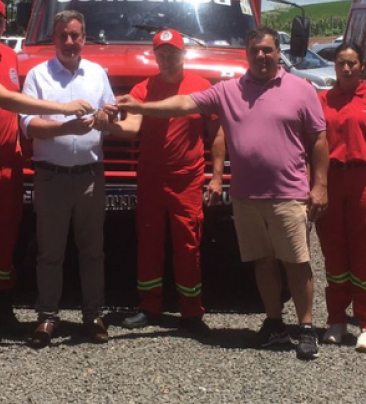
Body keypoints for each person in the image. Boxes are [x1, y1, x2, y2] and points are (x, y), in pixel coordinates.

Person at [116, 27, 329, 361]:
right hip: (244, 193)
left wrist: (320, 185)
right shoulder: (229, 89)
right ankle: (274, 322)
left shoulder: (301, 89)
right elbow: (181, 105)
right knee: (263, 261)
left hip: (287, 191)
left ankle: (305, 328)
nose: (261, 56)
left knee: (297, 261)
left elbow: (318, 139)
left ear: (278, 52)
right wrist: (136, 108)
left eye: (268, 50)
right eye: (255, 50)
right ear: (247, 53)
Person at [0, 0, 93, 335]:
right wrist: (62, 107)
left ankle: (2, 305)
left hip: (8, 162)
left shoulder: (10, 56)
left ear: (4, 23)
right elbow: (7, 99)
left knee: (6, 236)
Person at [112, 29, 224, 335]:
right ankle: (149, 306)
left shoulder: (201, 88)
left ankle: (191, 311)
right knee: (148, 241)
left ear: (183, 54)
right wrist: (107, 125)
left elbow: (216, 134)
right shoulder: (143, 89)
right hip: (150, 176)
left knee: (188, 244)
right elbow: (132, 126)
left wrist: (215, 176)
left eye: (172, 52)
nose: (166, 58)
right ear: (155, 55)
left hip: (186, 178)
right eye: (161, 53)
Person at [19, 10, 118, 347]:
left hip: (91, 175)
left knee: (93, 251)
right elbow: (28, 124)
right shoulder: (37, 75)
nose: (70, 42)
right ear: (54, 37)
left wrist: (107, 116)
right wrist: (67, 127)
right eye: (63, 35)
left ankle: (93, 315)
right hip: (52, 177)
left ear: (84, 37)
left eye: (76, 35)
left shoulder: (97, 73)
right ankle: (47, 316)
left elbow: (111, 111)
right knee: (50, 252)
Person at [316, 42, 366, 353]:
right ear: (334, 66)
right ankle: (336, 320)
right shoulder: (322, 99)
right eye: (341, 63)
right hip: (332, 180)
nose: (346, 68)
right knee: (334, 254)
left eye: (352, 63)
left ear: (362, 65)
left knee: (364, 256)